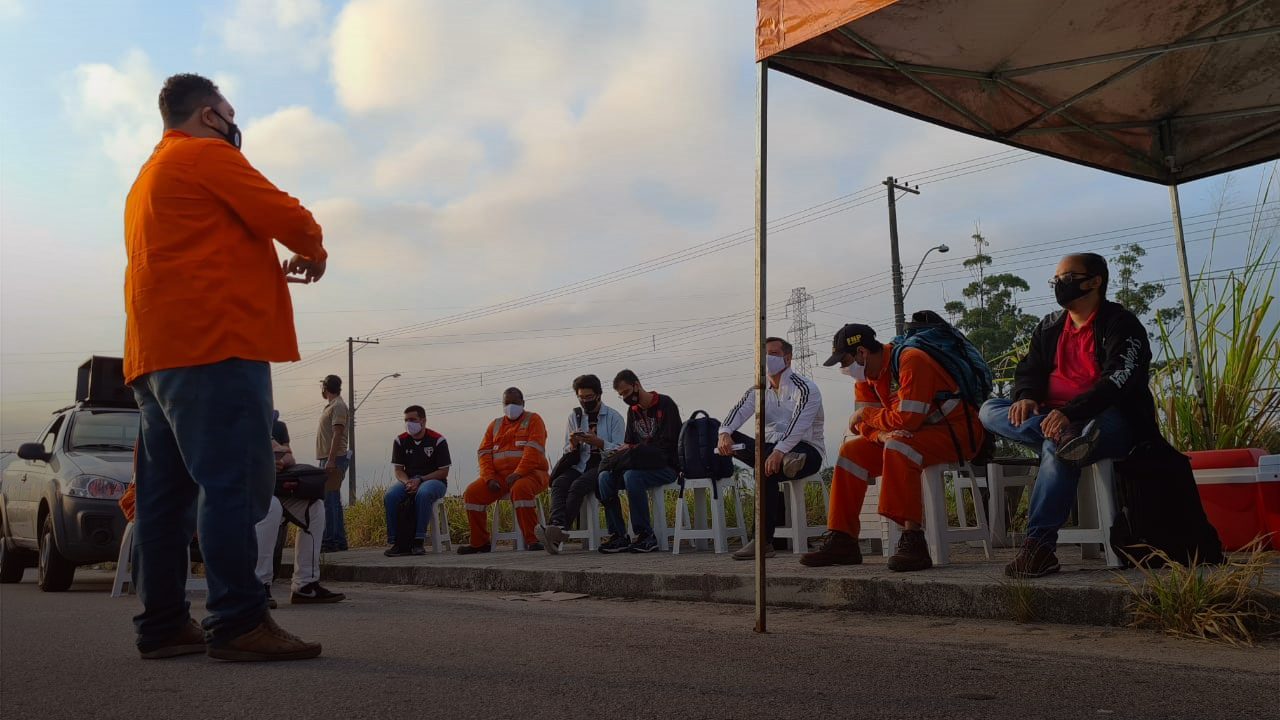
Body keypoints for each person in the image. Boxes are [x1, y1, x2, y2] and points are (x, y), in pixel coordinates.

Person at [124, 73, 325, 661]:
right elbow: (288, 214)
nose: (235, 125)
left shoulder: (148, 178)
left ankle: (161, 625)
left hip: (155, 358)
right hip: (215, 347)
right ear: (210, 115)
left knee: (166, 499)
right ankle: (239, 621)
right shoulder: (206, 155)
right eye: (231, 113)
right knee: (235, 484)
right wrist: (313, 250)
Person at [980, 253, 1154, 578]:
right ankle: (1067, 438)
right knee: (990, 410)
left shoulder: (1121, 324)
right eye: (1056, 279)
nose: (1060, 285)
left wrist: (1070, 413)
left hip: (1109, 419)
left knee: (1060, 446)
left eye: (1067, 277)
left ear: (1094, 281)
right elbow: (1029, 368)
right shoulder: (1049, 326)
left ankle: (1039, 547)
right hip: (1053, 417)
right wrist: (1026, 397)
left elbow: (1119, 380)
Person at [801, 323, 985, 572]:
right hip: (908, 435)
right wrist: (880, 435)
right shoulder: (865, 378)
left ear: (862, 353)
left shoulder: (911, 360)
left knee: (899, 446)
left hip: (955, 432)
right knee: (850, 453)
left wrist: (870, 417)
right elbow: (859, 427)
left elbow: (907, 418)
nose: (843, 369)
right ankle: (842, 539)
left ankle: (913, 540)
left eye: (844, 361)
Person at [717, 337, 825, 559]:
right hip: (769, 449)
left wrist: (779, 451)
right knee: (721, 435)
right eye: (764, 354)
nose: (767, 359)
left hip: (806, 450)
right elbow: (738, 411)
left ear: (787, 358)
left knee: (767, 468)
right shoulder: (758, 389)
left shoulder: (806, 388)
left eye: (773, 354)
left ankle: (762, 541)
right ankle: (777, 461)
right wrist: (725, 433)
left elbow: (799, 425)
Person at [535, 375, 626, 554]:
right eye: (581, 397)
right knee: (559, 483)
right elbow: (566, 449)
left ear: (599, 394)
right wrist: (573, 444)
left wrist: (599, 442)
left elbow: (620, 449)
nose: (585, 401)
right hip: (580, 463)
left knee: (578, 486)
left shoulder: (614, 417)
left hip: (604, 465)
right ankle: (557, 528)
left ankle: (556, 532)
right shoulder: (575, 416)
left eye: (589, 397)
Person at [597, 370, 683, 554]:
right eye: (621, 395)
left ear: (637, 385)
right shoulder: (633, 411)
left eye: (627, 392)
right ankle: (618, 535)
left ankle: (645, 535)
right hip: (639, 464)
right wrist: (623, 449)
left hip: (666, 466)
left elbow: (668, 444)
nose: (626, 398)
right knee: (604, 477)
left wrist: (635, 449)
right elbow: (629, 441)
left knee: (632, 476)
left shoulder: (665, 404)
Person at [254, 439, 345, 607]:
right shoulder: (217, 427)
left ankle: (305, 585)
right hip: (231, 495)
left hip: (262, 491)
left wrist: (279, 460)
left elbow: (288, 455)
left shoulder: (255, 426)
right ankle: (257, 585)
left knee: (314, 507)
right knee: (270, 505)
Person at [459, 388, 550, 553]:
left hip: (532, 474)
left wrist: (518, 473)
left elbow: (533, 451)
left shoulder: (534, 420)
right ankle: (479, 543)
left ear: (523, 403)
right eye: (507, 403)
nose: (511, 406)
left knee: (520, 488)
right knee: (472, 493)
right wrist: (488, 478)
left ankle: (533, 540)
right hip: (500, 478)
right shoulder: (495, 425)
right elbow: (484, 453)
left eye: (515, 403)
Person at [383, 405, 452, 556]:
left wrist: (420, 480)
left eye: (412, 420)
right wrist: (407, 482)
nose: (409, 423)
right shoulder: (400, 440)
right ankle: (397, 542)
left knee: (424, 493)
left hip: (434, 481)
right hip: (409, 479)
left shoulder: (437, 440)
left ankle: (418, 541)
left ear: (423, 421)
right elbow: (399, 470)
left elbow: (443, 471)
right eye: (406, 420)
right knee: (391, 496)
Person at [317, 374, 349, 553]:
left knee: (329, 500)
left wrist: (330, 459)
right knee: (333, 500)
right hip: (328, 457)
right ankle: (338, 539)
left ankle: (330, 540)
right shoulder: (331, 406)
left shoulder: (338, 406)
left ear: (325, 388)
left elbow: (337, 434)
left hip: (334, 458)